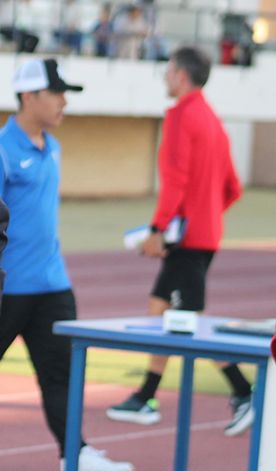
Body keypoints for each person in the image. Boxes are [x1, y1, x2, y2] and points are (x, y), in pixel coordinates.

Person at [0, 58, 134, 471]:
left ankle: (75, 454)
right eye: (57, 93)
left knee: (61, 374)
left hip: (53, 286)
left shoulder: (54, 147)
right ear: (30, 96)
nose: (64, 101)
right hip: (8, 290)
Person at [106, 46, 252, 436]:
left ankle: (245, 390)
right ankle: (146, 396)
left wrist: (158, 229)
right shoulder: (214, 121)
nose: (165, 78)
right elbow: (232, 187)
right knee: (161, 310)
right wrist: (206, 215)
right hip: (203, 235)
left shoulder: (181, 117)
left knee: (190, 322)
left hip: (186, 239)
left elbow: (176, 180)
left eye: (168, 71)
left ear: (182, 76)